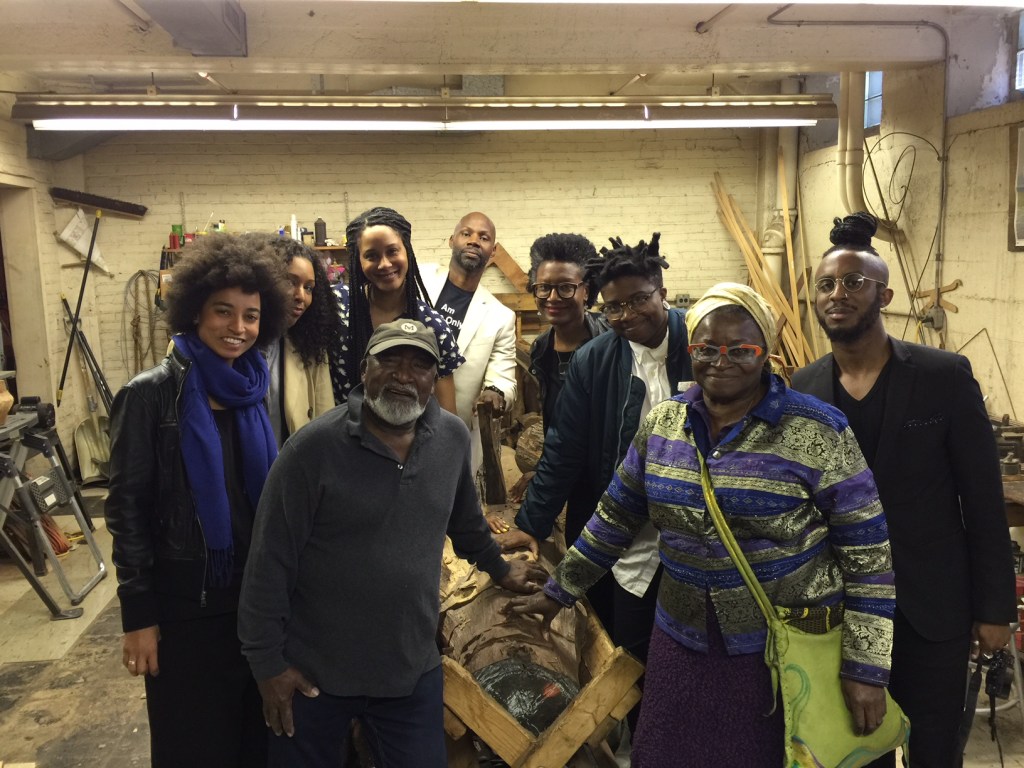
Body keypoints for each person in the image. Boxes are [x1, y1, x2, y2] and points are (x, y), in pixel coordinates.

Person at [508, 282, 897, 767]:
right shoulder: (663, 424)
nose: (722, 360)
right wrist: (560, 590)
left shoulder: (818, 430)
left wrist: (867, 668)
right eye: (706, 348)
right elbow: (615, 516)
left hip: (778, 653)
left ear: (767, 353)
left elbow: (869, 559)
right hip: (681, 646)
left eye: (742, 349)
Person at [238, 319, 547, 768]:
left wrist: (500, 570)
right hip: (315, 673)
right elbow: (268, 562)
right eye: (390, 360)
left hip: (408, 669)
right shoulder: (311, 451)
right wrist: (266, 663)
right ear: (365, 369)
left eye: (421, 366)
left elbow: (466, 524)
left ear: (434, 378)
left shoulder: (451, 439)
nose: (404, 375)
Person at [791, 211, 1017, 768]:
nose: (837, 294)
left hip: (931, 608)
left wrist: (995, 609)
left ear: (884, 294)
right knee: (853, 749)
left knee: (935, 750)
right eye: (826, 284)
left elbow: (982, 499)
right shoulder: (804, 387)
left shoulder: (942, 376)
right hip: (840, 610)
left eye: (853, 283)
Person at [105, 233, 291, 768]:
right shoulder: (149, 394)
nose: (238, 328)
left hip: (253, 601)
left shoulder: (254, 388)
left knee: (255, 741)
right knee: (193, 745)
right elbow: (127, 509)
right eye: (223, 312)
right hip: (187, 606)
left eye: (251, 316)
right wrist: (138, 615)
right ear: (193, 313)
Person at [506, 233, 688, 696]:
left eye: (638, 301)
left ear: (662, 293)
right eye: (615, 307)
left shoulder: (700, 342)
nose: (626, 315)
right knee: (629, 646)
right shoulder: (595, 360)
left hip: (699, 535)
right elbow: (564, 448)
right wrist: (532, 521)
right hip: (626, 535)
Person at [502, 232, 611, 510]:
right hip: (572, 480)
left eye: (565, 287)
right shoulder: (542, 348)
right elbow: (558, 424)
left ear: (586, 289)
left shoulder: (611, 341)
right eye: (543, 287)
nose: (553, 297)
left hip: (612, 478)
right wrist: (544, 471)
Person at [328, 206, 463, 414]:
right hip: (340, 439)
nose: (384, 264)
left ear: (406, 251)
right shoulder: (336, 307)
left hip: (406, 442)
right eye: (371, 256)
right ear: (358, 261)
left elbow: (447, 417)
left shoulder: (432, 327)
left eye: (392, 251)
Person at [420, 212, 517, 466]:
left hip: (451, 431)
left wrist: (494, 392)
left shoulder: (500, 316)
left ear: (493, 251)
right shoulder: (419, 279)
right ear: (452, 240)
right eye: (467, 233)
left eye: (483, 237)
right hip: (398, 417)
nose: (474, 241)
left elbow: (503, 375)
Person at [244, 234, 340, 446]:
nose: (301, 297)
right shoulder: (232, 341)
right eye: (290, 282)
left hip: (291, 471)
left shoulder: (310, 347)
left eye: (309, 288)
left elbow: (326, 419)